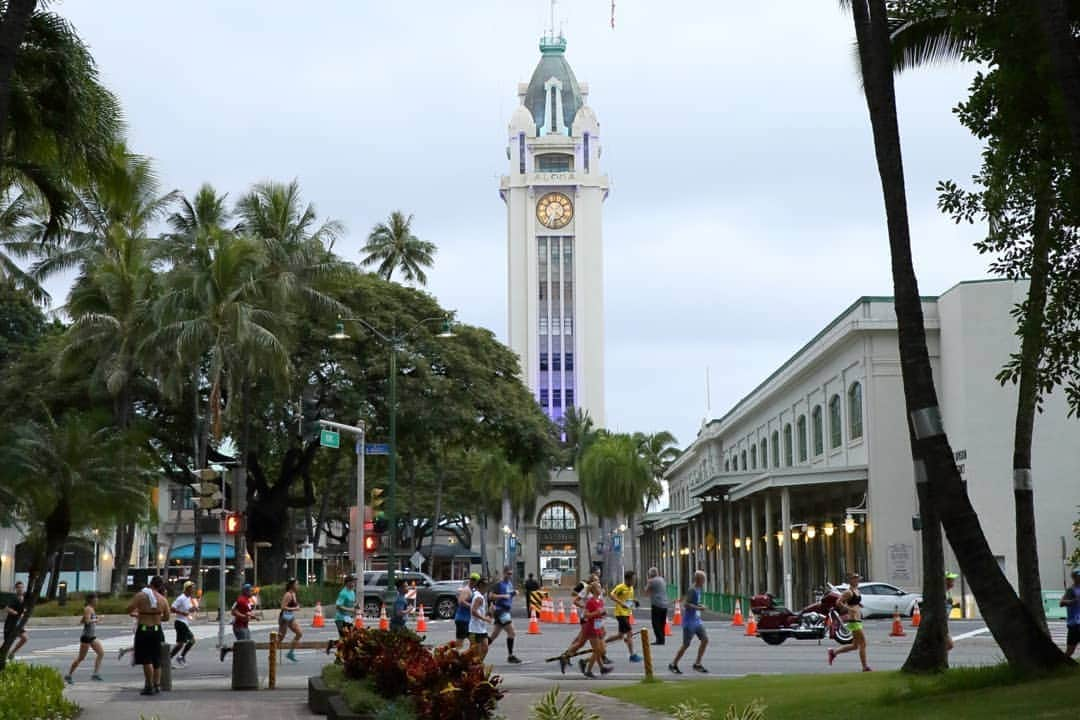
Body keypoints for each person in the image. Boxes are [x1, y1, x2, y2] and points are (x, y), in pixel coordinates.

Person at [126, 575, 170, 696]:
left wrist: (139, 614)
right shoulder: (163, 599)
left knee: (146, 659)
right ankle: (157, 685)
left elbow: (129, 609)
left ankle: (149, 685)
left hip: (144, 629)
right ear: (160, 586)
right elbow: (166, 617)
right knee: (157, 659)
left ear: (150, 584)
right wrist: (156, 616)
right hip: (157, 630)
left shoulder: (141, 596)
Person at [828, 572, 871, 672]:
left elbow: (854, 601)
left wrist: (859, 605)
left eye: (858, 579)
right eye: (855, 579)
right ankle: (865, 667)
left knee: (855, 646)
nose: (857, 580)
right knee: (863, 643)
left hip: (858, 618)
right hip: (853, 619)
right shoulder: (848, 592)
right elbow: (838, 602)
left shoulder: (857, 590)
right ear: (851, 580)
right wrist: (849, 609)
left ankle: (833, 652)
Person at [556, 573, 599, 673]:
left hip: (595, 620)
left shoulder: (598, 592)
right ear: (591, 582)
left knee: (580, 641)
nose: (597, 582)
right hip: (587, 620)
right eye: (595, 580)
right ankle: (567, 657)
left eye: (598, 580)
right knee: (583, 642)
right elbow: (575, 599)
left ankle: (567, 656)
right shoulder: (586, 590)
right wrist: (583, 607)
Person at [669, 570, 709, 674]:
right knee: (686, 644)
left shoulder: (699, 589)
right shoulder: (692, 590)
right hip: (689, 621)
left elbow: (693, 602)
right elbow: (686, 604)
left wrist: (700, 606)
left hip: (697, 620)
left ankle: (697, 663)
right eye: (703, 579)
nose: (704, 581)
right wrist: (699, 608)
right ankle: (673, 663)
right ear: (698, 579)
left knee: (705, 639)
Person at [64, 593, 104, 684]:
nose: (97, 601)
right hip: (86, 637)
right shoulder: (88, 609)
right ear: (91, 600)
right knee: (81, 658)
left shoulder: (91, 609)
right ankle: (68, 675)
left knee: (101, 653)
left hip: (92, 637)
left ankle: (95, 674)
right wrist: (97, 620)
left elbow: (83, 620)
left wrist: (94, 619)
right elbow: (87, 621)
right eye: (96, 599)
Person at [487, 565, 522, 663]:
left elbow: (509, 594)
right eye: (508, 574)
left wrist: (513, 593)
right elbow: (490, 596)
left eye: (511, 574)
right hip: (501, 611)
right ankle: (510, 656)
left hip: (505, 611)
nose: (510, 576)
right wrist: (503, 596)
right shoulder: (499, 583)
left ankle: (479, 649)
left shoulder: (509, 583)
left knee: (494, 635)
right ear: (504, 573)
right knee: (512, 633)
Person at [609, 571, 642, 662]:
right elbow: (611, 595)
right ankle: (632, 655)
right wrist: (621, 603)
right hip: (620, 614)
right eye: (633, 579)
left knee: (620, 636)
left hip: (627, 613)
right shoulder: (620, 587)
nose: (634, 581)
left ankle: (603, 643)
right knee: (629, 632)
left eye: (635, 580)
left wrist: (635, 601)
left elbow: (628, 598)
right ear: (628, 579)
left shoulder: (631, 588)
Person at [581, 581, 612, 677]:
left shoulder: (600, 601)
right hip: (591, 628)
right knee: (597, 650)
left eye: (600, 587)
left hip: (598, 627)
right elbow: (585, 615)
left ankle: (592, 665)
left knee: (601, 650)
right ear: (594, 590)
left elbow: (600, 614)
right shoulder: (590, 602)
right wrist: (596, 613)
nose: (601, 589)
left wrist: (603, 615)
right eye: (599, 587)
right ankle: (589, 670)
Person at [220, 583, 257, 662]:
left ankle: (227, 650)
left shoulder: (248, 600)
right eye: (250, 591)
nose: (252, 592)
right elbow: (233, 611)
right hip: (239, 626)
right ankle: (241, 661)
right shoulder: (240, 600)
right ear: (245, 591)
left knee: (246, 645)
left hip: (245, 626)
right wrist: (243, 616)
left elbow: (247, 612)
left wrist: (253, 616)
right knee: (243, 645)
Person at [326, 573, 358, 654]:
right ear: (347, 583)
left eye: (354, 582)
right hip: (340, 618)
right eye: (352, 582)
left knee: (351, 637)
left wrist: (358, 608)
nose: (354, 583)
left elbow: (353, 603)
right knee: (344, 638)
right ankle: (339, 655)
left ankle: (333, 644)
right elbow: (338, 606)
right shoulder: (343, 593)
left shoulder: (352, 592)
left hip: (348, 618)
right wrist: (350, 609)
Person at [169, 581, 197, 666]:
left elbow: (188, 609)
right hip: (180, 622)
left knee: (181, 643)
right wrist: (182, 613)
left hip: (184, 622)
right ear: (187, 589)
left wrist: (193, 608)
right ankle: (179, 657)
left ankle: (172, 658)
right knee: (190, 640)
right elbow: (172, 608)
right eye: (192, 588)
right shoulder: (181, 598)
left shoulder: (188, 598)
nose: (193, 590)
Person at [278, 578, 303, 662]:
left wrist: (296, 606)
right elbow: (282, 607)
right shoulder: (288, 594)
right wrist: (295, 608)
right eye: (297, 584)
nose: (298, 586)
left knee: (299, 633)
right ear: (292, 585)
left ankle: (290, 653)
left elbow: (293, 605)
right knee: (281, 637)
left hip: (290, 617)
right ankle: (272, 653)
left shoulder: (294, 594)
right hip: (284, 618)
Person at [2, 580, 28, 660]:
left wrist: (24, 612)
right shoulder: (13, 598)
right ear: (15, 589)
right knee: (7, 643)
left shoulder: (24, 598)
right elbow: (6, 608)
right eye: (18, 588)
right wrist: (15, 613)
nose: (20, 589)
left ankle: (12, 653)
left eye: (22, 587)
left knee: (25, 638)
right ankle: (3, 656)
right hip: (11, 624)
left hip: (18, 624)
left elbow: (25, 609)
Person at [469, 577, 492, 660]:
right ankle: (474, 667)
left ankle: (478, 665)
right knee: (475, 652)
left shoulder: (479, 595)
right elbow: (473, 611)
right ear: (481, 586)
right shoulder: (478, 597)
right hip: (475, 629)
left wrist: (489, 613)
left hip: (481, 628)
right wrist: (484, 619)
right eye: (486, 586)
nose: (487, 588)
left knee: (485, 648)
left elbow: (480, 611)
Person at [644, 567, 668, 645]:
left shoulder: (651, 581)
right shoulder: (662, 579)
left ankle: (659, 639)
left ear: (650, 574)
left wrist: (648, 581)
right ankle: (662, 639)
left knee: (656, 623)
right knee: (662, 623)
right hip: (664, 604)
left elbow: (646, 591)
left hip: (656, 604)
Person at [454, 573, 479, 648]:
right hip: (462, 620)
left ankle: (470, 657)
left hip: (468, 620)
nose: (474, 582)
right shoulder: (466, 590)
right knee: (460, 641)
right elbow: (461, 601)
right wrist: (472, 606)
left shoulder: (471, 590)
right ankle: (457, 656)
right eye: (473, 580)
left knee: (474, 641)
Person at [1060, 568, 1080, 657]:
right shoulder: (1071, 590)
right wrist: (1073, 601)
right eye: (1078, 576)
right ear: (1074, 577)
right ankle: (1062, 665)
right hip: (1074, 624)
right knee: (1070, 651)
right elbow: (1061, 603)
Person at [944, 571, 958, 651]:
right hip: (940, 623)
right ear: (946, 581)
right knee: (949, 645)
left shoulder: (947, 592)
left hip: (944, 623)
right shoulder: (941, 592)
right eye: (951, 579)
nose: (953, 581)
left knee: (946, 646)